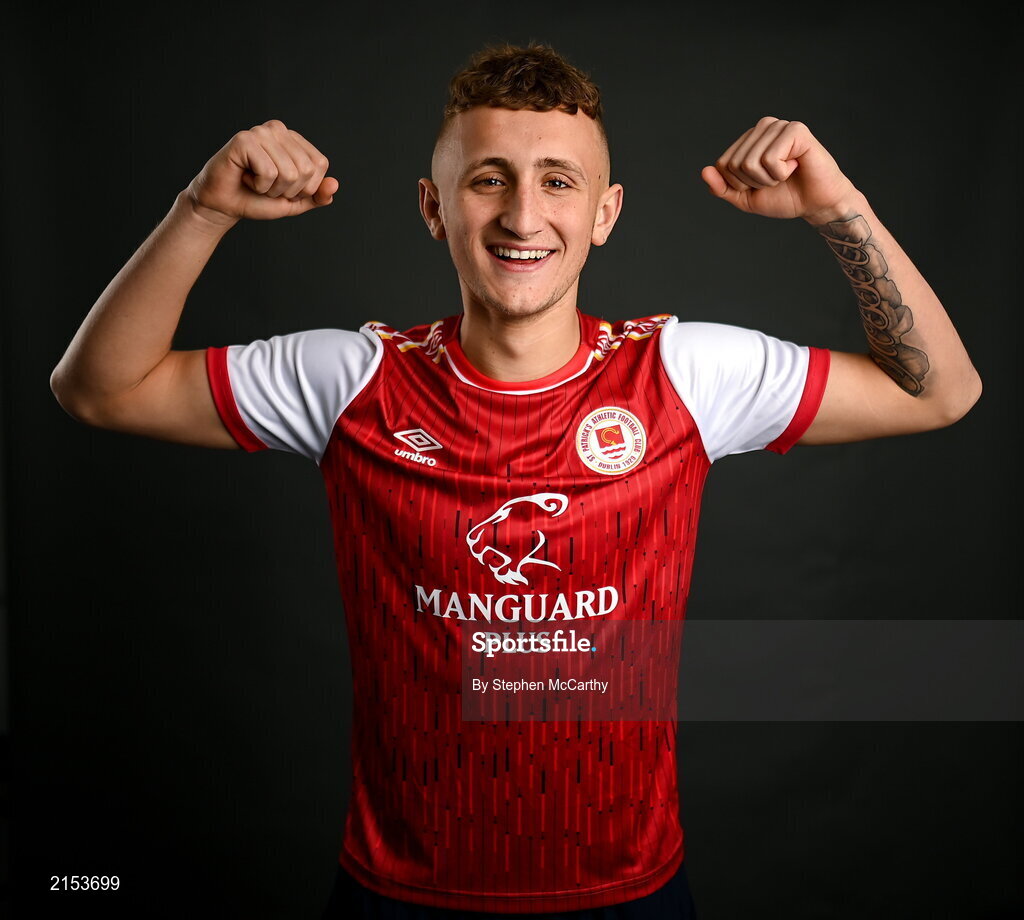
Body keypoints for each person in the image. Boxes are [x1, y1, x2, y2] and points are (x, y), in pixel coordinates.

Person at [49, 41, 981, 920]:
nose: (523, 216)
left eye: (558, 182)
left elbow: (943, 392)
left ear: (604, 214)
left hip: (628, 892)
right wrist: (202, 210)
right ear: (434, 206)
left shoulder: (688, 375)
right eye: (488, 179)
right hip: (399, 892)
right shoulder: (353, 381)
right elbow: (99, 390)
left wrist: (837, 206)